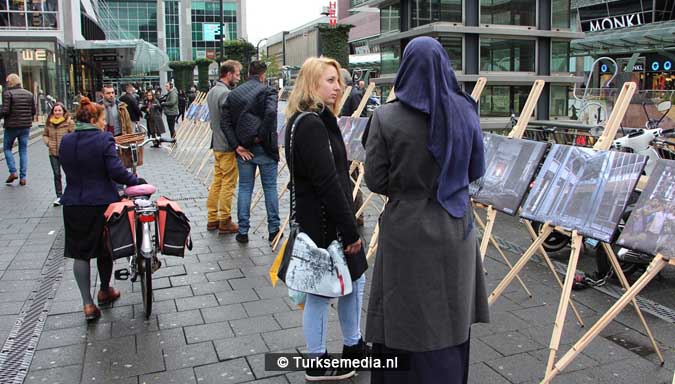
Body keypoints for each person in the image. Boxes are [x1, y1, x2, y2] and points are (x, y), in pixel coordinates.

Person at [363, 37, 489, 384]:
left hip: (407, 229)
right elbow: (476, 170)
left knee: (404, 315)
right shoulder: (466, 109)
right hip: (455, 226)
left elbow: (375, 179)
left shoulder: (386, 117)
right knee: (450, 315)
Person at [284, 57, 369, 381]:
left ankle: (353, 346)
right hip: (324, 224)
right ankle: (317, 360)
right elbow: (328, 183)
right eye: (330, 80)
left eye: (338, 81)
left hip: (321, 219)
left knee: (354, 283)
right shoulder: (311, 124)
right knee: (320, 293)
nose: (338, 87)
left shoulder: (306, 120)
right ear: (311, 83)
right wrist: (349, 232)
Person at [59, 97, 142, 321]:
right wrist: (136, 180)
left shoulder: (65, 141)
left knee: (80, 254)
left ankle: (87, 304)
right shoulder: (103, 139)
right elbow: (116, 171)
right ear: (94, 119)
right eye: (103, 118)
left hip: (74, 203)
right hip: (102, 203)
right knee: (105, 249)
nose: (105, 123)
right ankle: (105, 290)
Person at [221, 60, 280, 243]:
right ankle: (273, 230)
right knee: (270, 187)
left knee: (245, 188)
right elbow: (271, 113)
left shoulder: (234, 94)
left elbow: (225, 122)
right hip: (265, 148)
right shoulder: (268, 91)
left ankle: (243, 231)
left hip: (243, 149)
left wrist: (237, 145)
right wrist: (260, 137)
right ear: (263, 75)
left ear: (248, 72)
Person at [206, 60, 241, 234]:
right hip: (226, 145)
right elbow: (229, 121)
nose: (238, 77)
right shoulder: (225, 93)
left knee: (217, 181)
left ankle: (212, 217)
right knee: (228, 183)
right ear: (228, 74)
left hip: (217, 143)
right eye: (237, 74)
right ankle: (224, 219)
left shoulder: (212, 91)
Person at [2, 73, 35, 186]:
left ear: (10, 82)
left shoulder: (8, 93)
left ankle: (13, 171)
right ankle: (23, 177)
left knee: (7, 148)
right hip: (25, 126)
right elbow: (33, 111)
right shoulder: (29, 94)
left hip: (11, 126)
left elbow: (5, 111)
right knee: (23, 151)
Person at [43, 102, 75, 206]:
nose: (57, 112)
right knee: (56, 174)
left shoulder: (68, 122)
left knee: (69, 173)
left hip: (66, 152)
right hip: (53, 152)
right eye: (55, 110)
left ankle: (70, 194)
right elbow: (45, 134)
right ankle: (59, 196)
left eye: (59, 110)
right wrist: (48, 142)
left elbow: (74, 135)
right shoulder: (49, 122)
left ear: (63, 111)